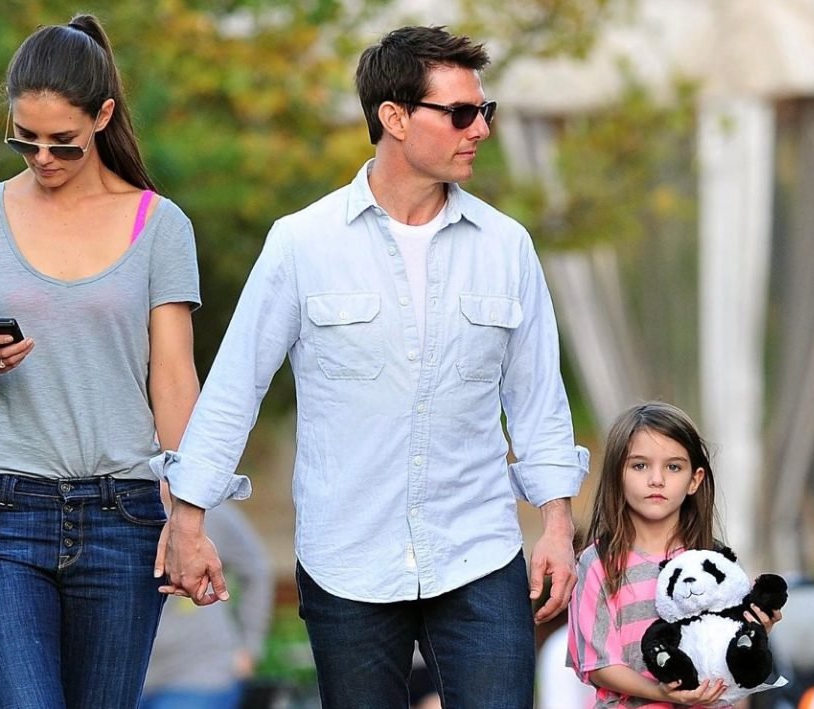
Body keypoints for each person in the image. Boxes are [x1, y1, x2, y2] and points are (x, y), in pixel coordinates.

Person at [157, 24, 589, 708]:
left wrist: (558, 527)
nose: (479, 128)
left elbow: (538, 402)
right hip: (346, 557)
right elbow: (235, 385)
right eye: (459, 113)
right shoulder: (302, 243)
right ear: (393, 117)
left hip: (476, 550)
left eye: (485, 111)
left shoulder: (508, 247)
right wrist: (188, 519)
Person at [0, 14, 201, 708]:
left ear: (103, 116)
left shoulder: (159, 225)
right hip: (4, 510)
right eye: (25, 140)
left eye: (64, 143)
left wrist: (190, 515)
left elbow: (172, 380)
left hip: (125, 513)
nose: (43, 158)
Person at [567, 402, 784, 707]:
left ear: (694, 479)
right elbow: (597, 664)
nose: (657, 479)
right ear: (618, 475)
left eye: (673, 467)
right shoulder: (597, 563)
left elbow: (731, 651)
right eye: (640, 465)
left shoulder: (715, 561)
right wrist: (659, 692)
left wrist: (757, 628)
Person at [140, 503, 274, 709]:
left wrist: (249, 648)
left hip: (200, 674)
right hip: (125, 675)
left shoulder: (211, 512)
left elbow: (256, 570)